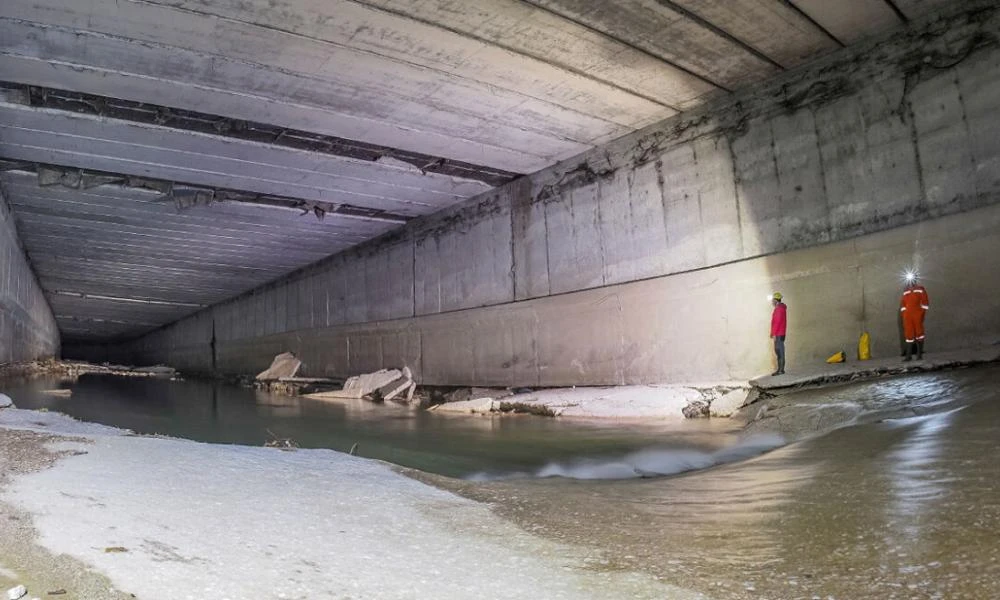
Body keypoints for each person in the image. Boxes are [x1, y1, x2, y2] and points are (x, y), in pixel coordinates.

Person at [900, 277, 929, 361]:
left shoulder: (920, 289)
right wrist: (904, 314)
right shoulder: (906, 291)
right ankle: (908, 356)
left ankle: (919, 355)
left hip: (917, 315)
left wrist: (921, 314)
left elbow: (925, 303)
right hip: (908, 316)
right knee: (909, 335)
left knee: (919, 333)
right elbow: (903, 304)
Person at [770, 292, 787, 376]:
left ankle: (780, 370)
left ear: (776, 300)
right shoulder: (781, 308)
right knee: (780, 351)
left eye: (773, 300)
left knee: (779, 352)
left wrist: (774, 334)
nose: (772, 302)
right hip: (780, 333)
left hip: (778, 333)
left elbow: (777, 322)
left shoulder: (779, 309)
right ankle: (781, 369)